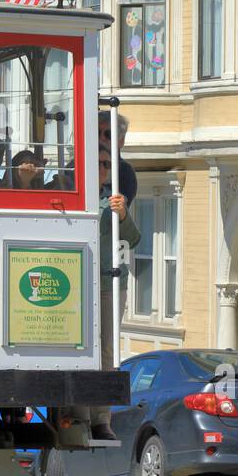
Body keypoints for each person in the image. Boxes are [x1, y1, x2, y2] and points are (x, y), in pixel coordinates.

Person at [90, 147, 140, 442]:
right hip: (76, 284)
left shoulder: (114, 198)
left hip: (108, 285)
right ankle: (79, 415)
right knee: (82, 352)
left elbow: (134, 239)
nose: (103, 168)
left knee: (107, 353)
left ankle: (101, 420)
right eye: (98, 162)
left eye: (107, 164)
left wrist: (122, 215)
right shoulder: (73, 191)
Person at [98, 110, 138, 206]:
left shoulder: (125, 171)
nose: (101, 138)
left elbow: (119, 211)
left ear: (121, 140)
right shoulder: (77, 165)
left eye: (108, 134)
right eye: (98, 133)